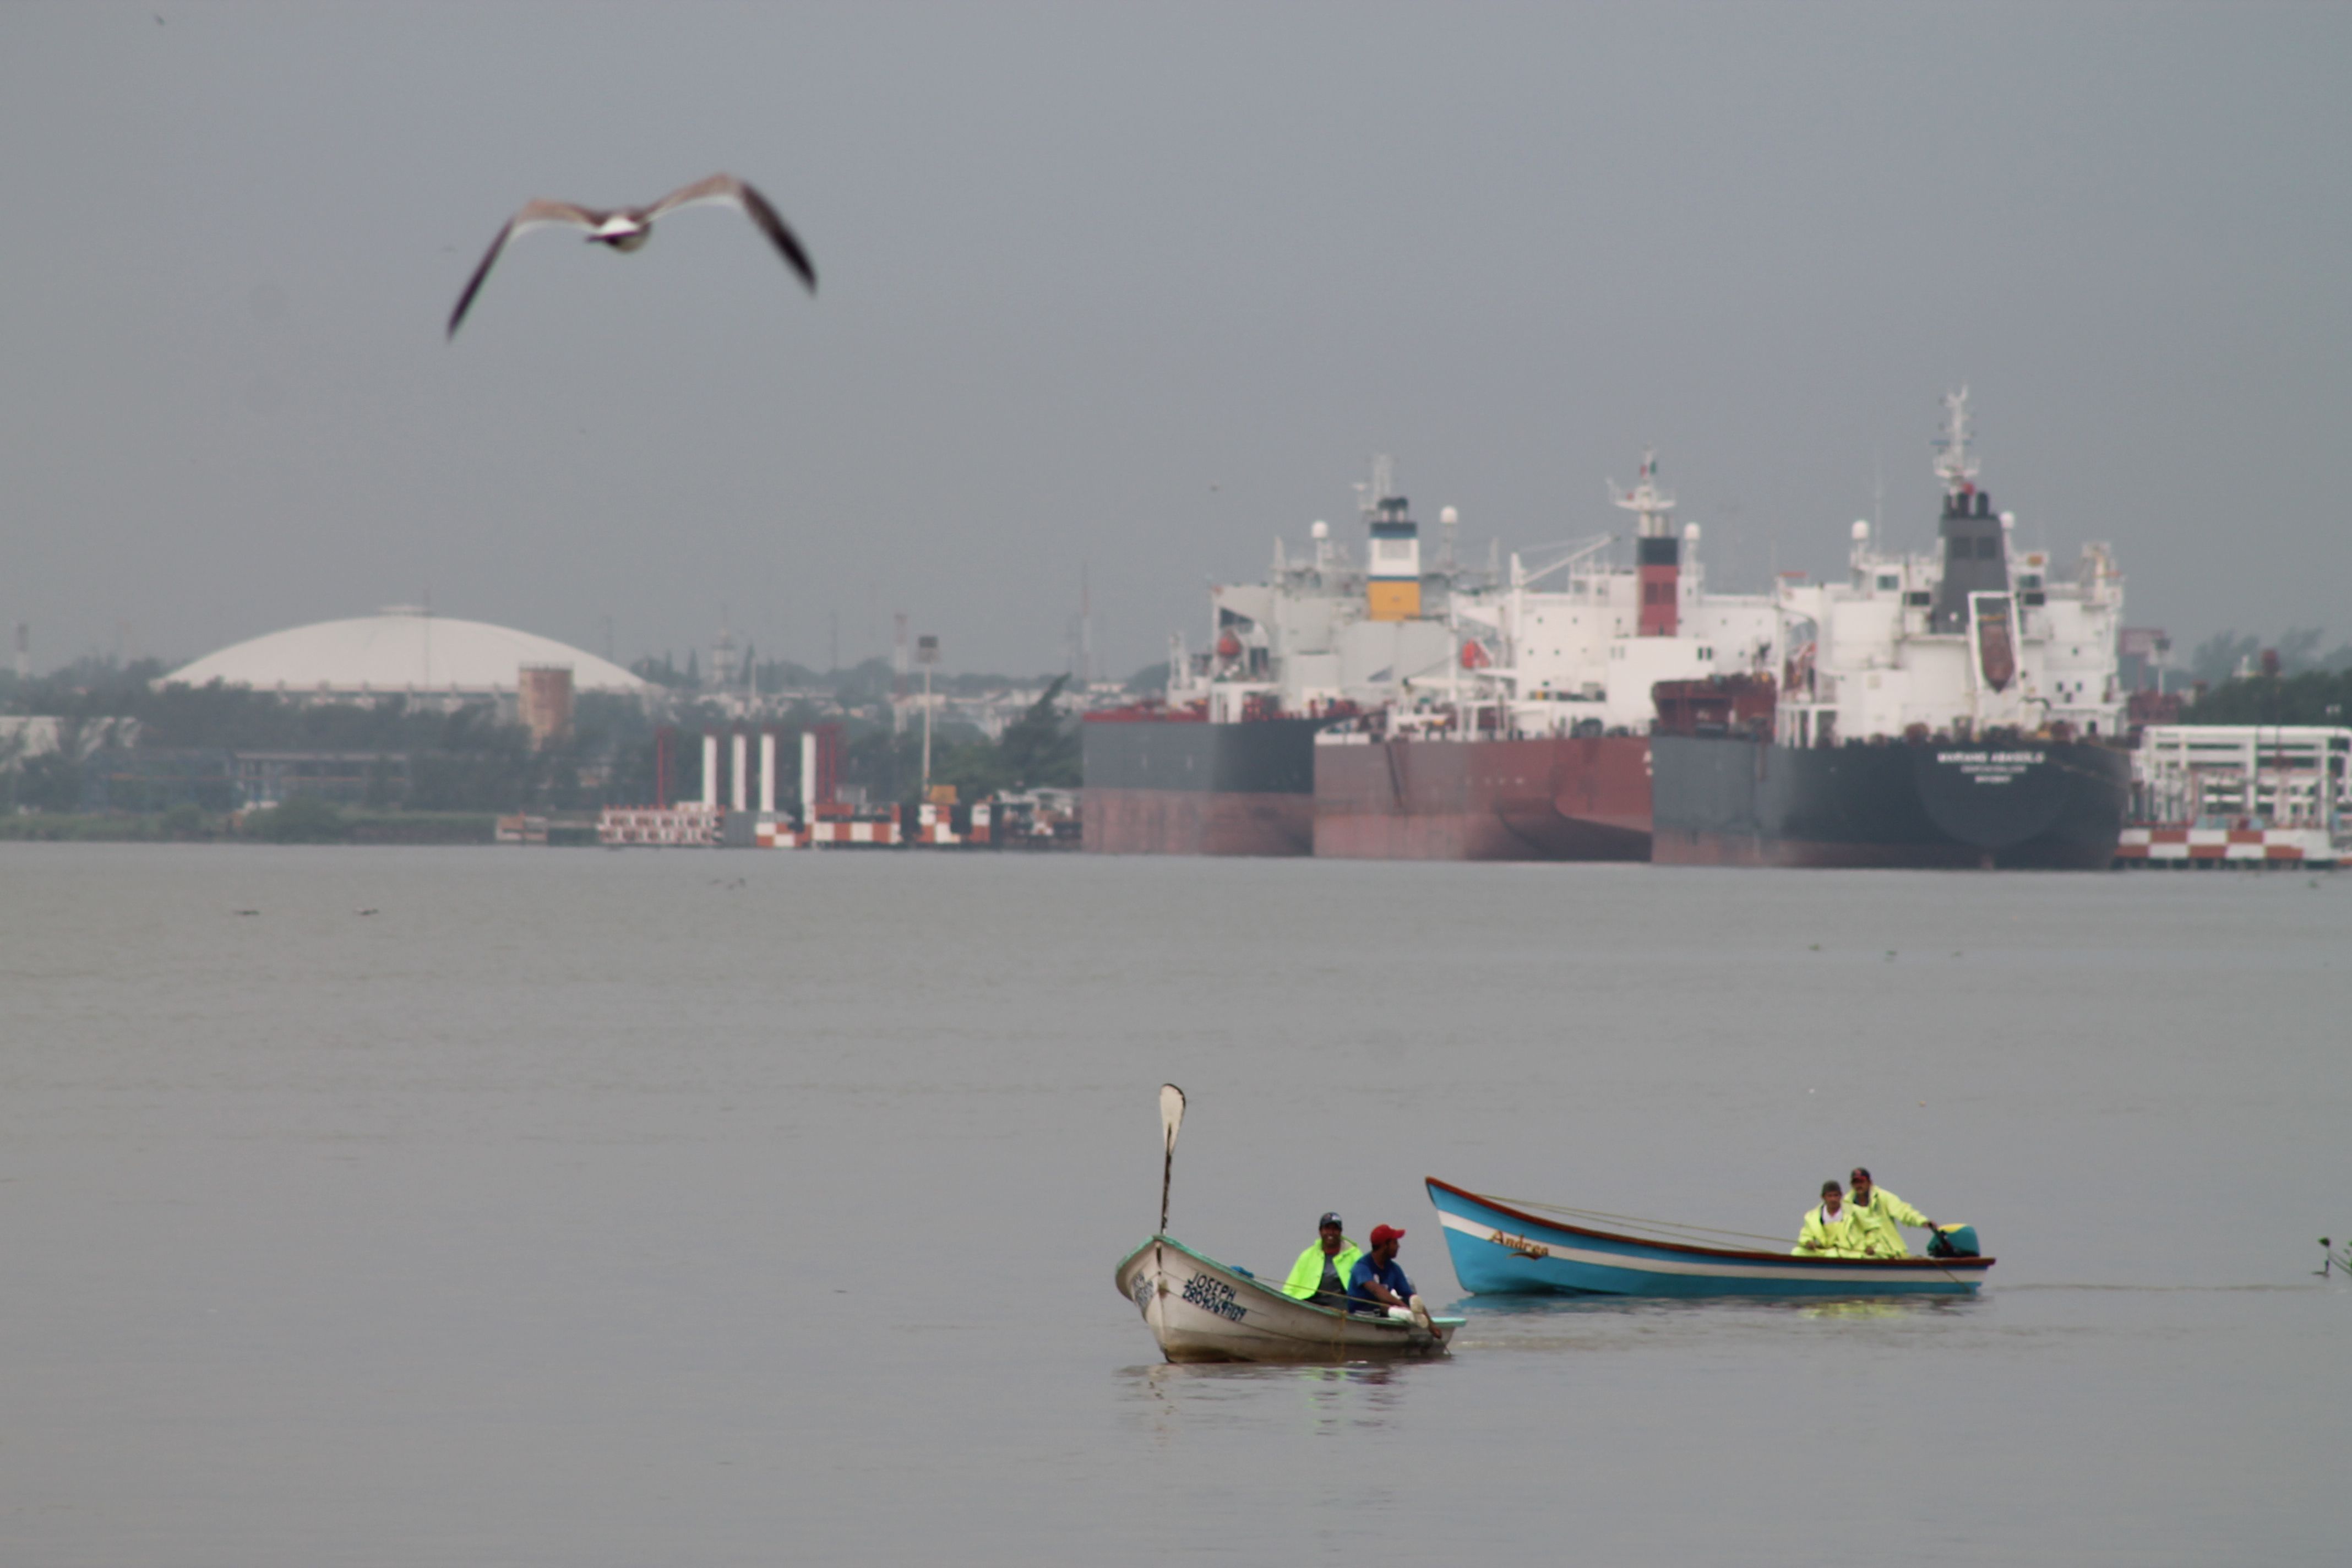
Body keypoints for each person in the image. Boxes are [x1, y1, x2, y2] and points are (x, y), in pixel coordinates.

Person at [1347, 1224, 1430, 1329]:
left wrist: (1432, 1326)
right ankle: (1410, 1316)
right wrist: (1404, 1307)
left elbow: (1410, 1297)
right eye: (1395, 1243)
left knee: (1409, 1301)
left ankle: (1415, 1318)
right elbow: (1378, 1292)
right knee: (1384, 1305)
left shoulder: (1394, 1269)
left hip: (1386, 1312)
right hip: (1361, 1313)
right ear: (1384, 1246)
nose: (1398, 1247)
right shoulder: (1362, 1266)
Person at [1845, 1167, 1934, 1259]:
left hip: (1890, 1251)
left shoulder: (1883, 1197)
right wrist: (1863, 1247)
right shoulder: (1846, 1204)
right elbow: (1847, 1230)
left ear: (1870, 1183)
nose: (1859, 1185)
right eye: (1855, 1182)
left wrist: (1922, 1221)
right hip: (1862, 1253)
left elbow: (1903, 1210)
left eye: (1862, 1182)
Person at [1281, 1212, 1362, 1309]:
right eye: (1327, 1228)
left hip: (1342, 1305)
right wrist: (1283, 1304)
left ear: (1341, 1232)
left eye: (1335, 1229)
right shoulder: (1307, 1256)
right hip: (1311, 1303)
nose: (1331, 1232)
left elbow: (1365, 1284)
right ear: (1320, 1231)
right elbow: (1290, 1286)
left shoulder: (1355, 1255)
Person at [1793, 1180, 1864, 1257]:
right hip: (1821, 1251)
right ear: (1823, 1197)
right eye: (1830, 1196)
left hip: (1845, 1252)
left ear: (1841, 1196)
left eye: (1836, 1195)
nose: (1833, 1199)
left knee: (1832, 1255)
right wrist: (1808, 1242)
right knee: (1797, 1252)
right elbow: (1805, 1235)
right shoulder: (1812, 1217)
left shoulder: (1853, 1213)